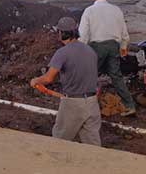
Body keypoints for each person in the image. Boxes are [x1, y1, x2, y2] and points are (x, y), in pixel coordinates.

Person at [30, 17, 101, 146]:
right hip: (92, 102)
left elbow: (48, 78)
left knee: (60, 141)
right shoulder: (90, 51)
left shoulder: (62, 53)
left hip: (72, 103)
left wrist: (35, 80)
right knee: (93, 145)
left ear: (62, 34)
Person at [79, 0, 136, 116]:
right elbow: (124, 33)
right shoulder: (116, 10)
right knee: (116, 76)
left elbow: (83, 35)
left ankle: (85, 107)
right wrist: (123, 47)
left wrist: (81, 50)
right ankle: (129, 105)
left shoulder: (89, 11)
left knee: (90, 75)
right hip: (113, 46)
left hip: (96, 47)